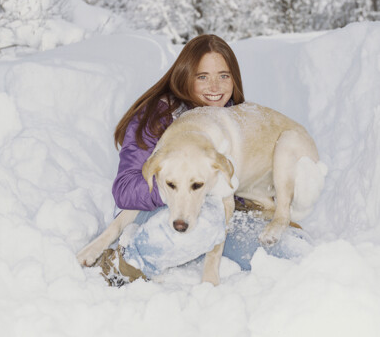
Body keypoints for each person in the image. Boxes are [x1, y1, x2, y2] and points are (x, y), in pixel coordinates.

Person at [96, 34, 309, 286]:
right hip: (153, 210)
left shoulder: (229, 118)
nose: (215, 87)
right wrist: (174, 189)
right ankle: (128, 260)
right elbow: (125, 190)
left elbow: (230, 184)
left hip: (216, 212)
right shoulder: (157, 116)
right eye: (202, 77)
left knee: (294, 251)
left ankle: (184, 254)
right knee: (206, 224)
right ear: (185, 76)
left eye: (223, 76)